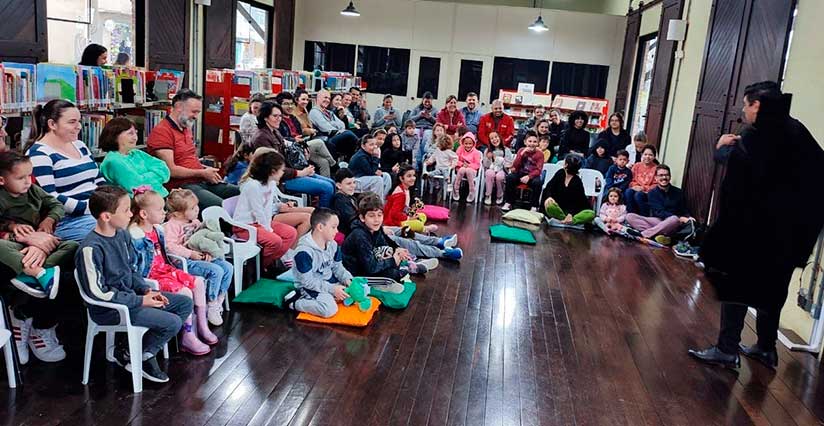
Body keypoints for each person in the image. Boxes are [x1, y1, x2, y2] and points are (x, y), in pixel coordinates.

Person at [689, 82, 824, 370]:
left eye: (746, 105)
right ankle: (765, 348)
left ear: (757, 106)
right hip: (792, 232)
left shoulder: (759, 133)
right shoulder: (797, 130)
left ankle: (726, 350)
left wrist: (721, 148)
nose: (743, 111)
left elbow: (739, 165)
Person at [76, 186, 193, 383]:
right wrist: (140, 301)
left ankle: (139, 353)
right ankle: (139, 355)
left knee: (184, 303)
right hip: (110, 309)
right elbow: (97, 293)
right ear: (106, 216)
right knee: (171, 322)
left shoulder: (122, 234)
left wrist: (147, 290)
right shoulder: (90, 248)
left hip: (130, 299)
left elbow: (131, 269)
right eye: (126, 210)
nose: (131, 214)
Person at [0, 151, 78, 364]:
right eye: (21, 178)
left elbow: (55, 205)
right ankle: (29, 274)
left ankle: (43, 273)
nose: (28, 181)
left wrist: (48, 222)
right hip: (14, 243)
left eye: (30, 176)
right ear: (2, 179)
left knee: (73, 247)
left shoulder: (33, 190)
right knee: (2, 247)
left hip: (40, 240)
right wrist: (12, 227)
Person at [129, 188, 216, 355]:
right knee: (184, 292)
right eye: (160, 209)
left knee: (197, 282)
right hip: (152, 276)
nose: (164, 213)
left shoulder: (158, 229)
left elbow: (164, 254)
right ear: (144, 214)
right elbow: (137, 268)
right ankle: (188, 334)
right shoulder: (136, 235)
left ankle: (202, 327)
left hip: (166, 269)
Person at [147, 89, 239, 212]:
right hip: (182, 188)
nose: (196, 116)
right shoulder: (162, 132)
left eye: (198, 112)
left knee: (242, 194)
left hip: (200, 180)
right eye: (194, 112)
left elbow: (189, 160)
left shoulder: (185, 128)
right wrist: (201, 173)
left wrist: (205, 170)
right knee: (223, 209)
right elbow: (171, 170)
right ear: (178, 107)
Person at [27, 99, 101, 241]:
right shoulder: (39, 154)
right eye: (72, 122)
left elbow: (98, 179)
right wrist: (91, 208)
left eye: (79, 121)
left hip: (95, 210)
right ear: (52, 124)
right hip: (67, 220)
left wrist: (111, 201)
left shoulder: (79, 145)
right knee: (112, 232)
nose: (79, 126)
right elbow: (49, 197)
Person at [163, 189, 233, 326]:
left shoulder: (194, 221)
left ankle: (218, 300)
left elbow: (200, 239)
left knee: (228, 268)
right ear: (178, 213)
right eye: (192, 208)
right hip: (183, 261)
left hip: (198, 257)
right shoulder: (172, 225)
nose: (197, 210)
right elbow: (170, 246)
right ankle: (211, 302)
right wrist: (191, 254)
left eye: (197, 206)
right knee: (216, 271)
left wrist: (206, 251)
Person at [232, 150, 305, 272]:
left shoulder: (271, 184)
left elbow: (266, 209)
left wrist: (268, 227)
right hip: (245, 226)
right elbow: (258, 211)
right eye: (281, 170)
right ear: (272, 171)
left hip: (261, 223)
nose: (283, 172)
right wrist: (269, 230)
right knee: (275, 241)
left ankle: (265, 264)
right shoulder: (252, 186)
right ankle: (257, 268)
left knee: (291, 233)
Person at [252, 101, 335, 207]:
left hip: (290, 172)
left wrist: (302, 152)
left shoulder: (274, 131)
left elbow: (287, 148)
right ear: (265, 117)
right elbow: (272, 169)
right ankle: (322, 219)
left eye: (280, 116)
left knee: (331, 183)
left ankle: (329, 215)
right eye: (275, 116)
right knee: (327, 188)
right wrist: (300, 172)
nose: (279, 119)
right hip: (281, 179)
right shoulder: (261, 138)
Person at [282, 208, 353, 318]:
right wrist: (332, 289)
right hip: (310, 287)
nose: (337, 231)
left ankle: (332, 295)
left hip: (328, 281)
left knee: (355, 291)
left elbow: (338, 267)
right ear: (320, 227)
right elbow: (307, 282)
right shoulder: (304, 252)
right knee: (329, 310)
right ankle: (294, 302)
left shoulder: (332, 244)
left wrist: (347, 279)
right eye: (333, 227)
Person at [342, 194, 427, 282]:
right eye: (371, 216)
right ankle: (403, 269)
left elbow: (385, 242)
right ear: (362, 218)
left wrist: (397, 250)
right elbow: (370, 267)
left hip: (370, 263)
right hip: (357, 272)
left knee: (391, 253)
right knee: (392, 274)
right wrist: (393, 260)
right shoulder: (359, 235)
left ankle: (405, 265)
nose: (376, 219)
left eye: (379, 215)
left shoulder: (375, 228)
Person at [100, 117, 171, 197]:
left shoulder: (137, 153)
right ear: (115, 136)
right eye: (130, 133)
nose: (135, 138)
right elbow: (138, 185)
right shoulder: (113, 160)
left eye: (136, 133)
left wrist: (143, 177)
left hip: (159, 198)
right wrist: (156, 177)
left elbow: (165, 170)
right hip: (139, 204)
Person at [624, 164, 691, 245]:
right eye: (661, 175)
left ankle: (643, 234)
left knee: (674, 218)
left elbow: (683, 209)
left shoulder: (678, 192)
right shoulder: (652, 193)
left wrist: (688, 217)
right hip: (658, 220)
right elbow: (658, 212)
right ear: (656, 178)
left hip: (673, 224)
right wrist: (679, 218)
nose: (664, 178)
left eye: (666, 175)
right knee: (629, 216)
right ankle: (659, 235)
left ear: (670, 177)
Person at [275, 91, 337, 178]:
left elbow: (301, 132)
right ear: (279, 105)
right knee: (319, 142)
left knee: (324, 162)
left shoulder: (293, 118)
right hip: (293, 149)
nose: (289, 106)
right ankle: (334, 165)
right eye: (286, 104)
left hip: (303, 144)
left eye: (291, 104)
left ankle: (326, 183)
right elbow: (280, 139)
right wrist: (294, 139)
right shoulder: (278, 120)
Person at [541, 155, 596, 225]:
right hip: (557, 207)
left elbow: (578, 202)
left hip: (572, 210)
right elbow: (549, 187)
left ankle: (571, 221)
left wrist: (571, 214)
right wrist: (549, 197)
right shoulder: (560, 173)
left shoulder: (577, 182)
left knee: (591, 214)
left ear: (566, 165)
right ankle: (564, 220)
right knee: (549, 205)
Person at [309, 90, 359, 159]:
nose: (327, 100)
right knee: (348, 133)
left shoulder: (329, 112)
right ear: (318, 98)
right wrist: (335, 125)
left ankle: (350, 162)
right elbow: (326, 128)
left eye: (329, 98)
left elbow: (342, 124)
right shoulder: (314, 112)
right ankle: (361, 148)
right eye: (325, 98)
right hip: (326, 139)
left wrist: (332, 123)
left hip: (335, 136)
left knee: (353, 137)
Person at [501, 131, 544, 212]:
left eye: (535, 142)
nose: (532, 144)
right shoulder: (521, 150)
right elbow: (515, 166)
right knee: (510, 178)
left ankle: (534, 206)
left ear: (538, 143)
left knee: (537, 183)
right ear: (525, 142)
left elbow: (539, 170)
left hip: (532, 175)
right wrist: (522, 154)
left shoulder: (540, 154)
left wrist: (529, 176)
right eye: (530, 141)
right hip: (520, 172)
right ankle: (509, 202)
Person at [348, 135, 393, 199]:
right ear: (363, 146)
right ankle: (376, 203)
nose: (374, 147)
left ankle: (383, 199)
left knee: (386, 176)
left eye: (375, 144)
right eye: (371, 145)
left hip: (364, 177)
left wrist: (378, 171)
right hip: (355, 180)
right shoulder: (361, 156)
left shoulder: (368, 153)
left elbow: (373, 169)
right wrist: (376, 157)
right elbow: (371, 172)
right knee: (377, 180)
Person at [624, 144, 658, 215]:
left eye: (650, 155)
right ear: (642, 155)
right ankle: (630, 216)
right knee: (628, 192)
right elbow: (631, 179)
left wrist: (643, 188)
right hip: (636, 188)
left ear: (654, 156)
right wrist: (635, 186)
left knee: (638, 195)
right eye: (645, 154)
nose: (647, 157)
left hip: (648, 192)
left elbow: (656, 184)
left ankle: (643, 216)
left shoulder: (656, 168)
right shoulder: (637, 166)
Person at [483, 131, 512, 205]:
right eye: (491, 138)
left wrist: (501, 161)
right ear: (489, 141)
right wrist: (488, 158)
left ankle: (500, 195)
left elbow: (509, 163)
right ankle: (488, 195)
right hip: (491, 168)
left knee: (499, 176)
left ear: (499, 137)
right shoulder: (487, 150)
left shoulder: (506, 150)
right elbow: (485, 165)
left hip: (502, 170)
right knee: (489, 173)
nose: (494, 139)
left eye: (496, 137)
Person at [453, 132, 481, 203]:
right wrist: (462, 164)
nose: (468, 145)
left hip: (471, 171)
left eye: (470, 144)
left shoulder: (476, 152)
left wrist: (469, 165)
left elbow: (477, 164)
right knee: (462, 170)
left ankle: (472, 191)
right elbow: (455, 160)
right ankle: (456, 189)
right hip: (461, 168)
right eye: (466, 143)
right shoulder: (460, 149)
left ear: (473, 144)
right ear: (463, 143)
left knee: (468, 170)